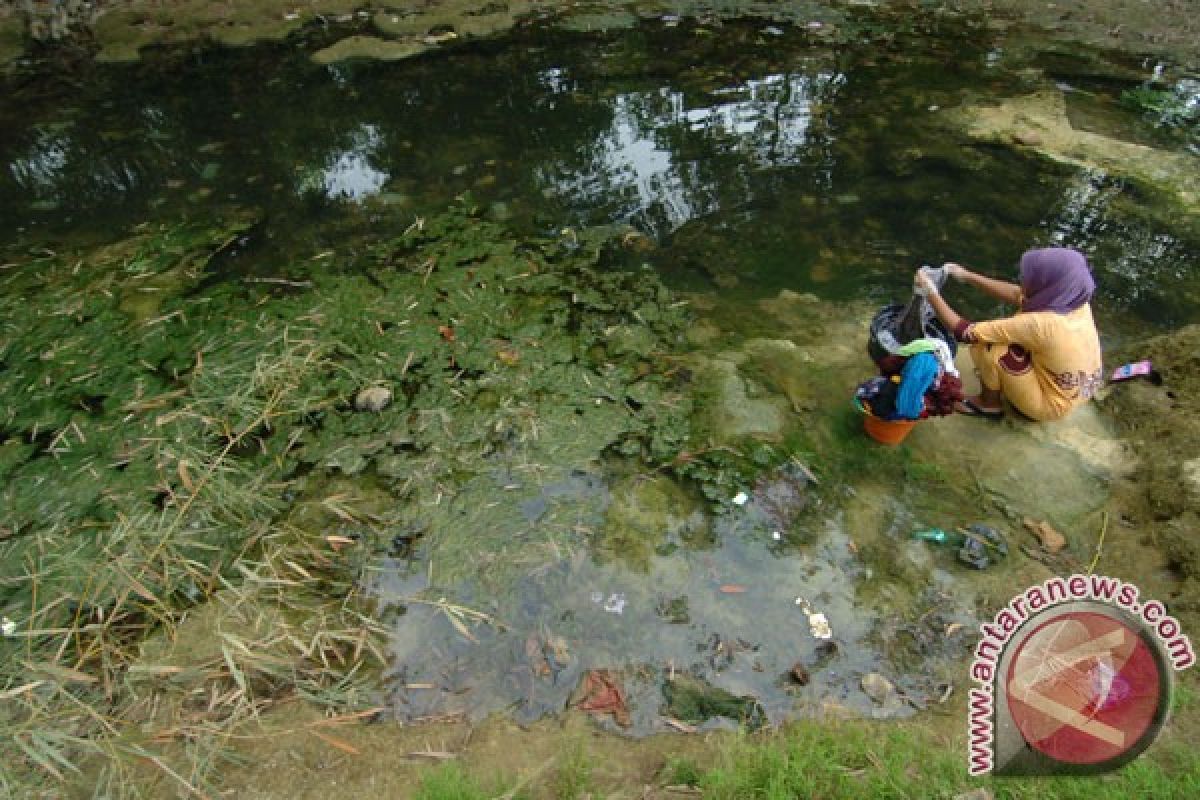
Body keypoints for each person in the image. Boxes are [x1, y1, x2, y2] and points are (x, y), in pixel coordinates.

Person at [913, 247, 1102, 421]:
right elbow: (1018, 294)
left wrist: (930, 292)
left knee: (991, 348)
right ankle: (1007, 386)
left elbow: (966, 332)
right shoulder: (1074, 302)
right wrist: (966, 275)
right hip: (1080, 389)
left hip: (1052, 405)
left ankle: (988, 405)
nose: (1024, 280)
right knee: (1006, 342)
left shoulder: (1042, 324)